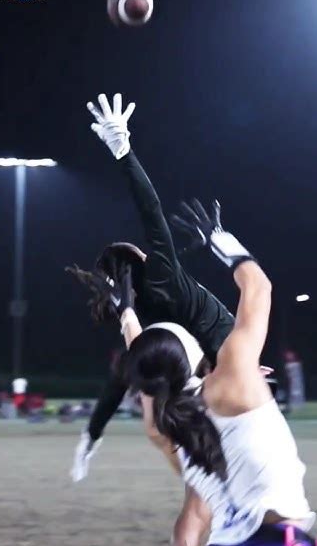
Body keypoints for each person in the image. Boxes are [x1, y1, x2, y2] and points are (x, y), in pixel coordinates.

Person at [120, 200, 317, 546]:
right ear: (192, 352)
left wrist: (127, 311)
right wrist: (222, 240)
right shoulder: (234, 377)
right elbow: (259, 288)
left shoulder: (163, 426)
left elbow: (146, 364)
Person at [68, 93, 236, 482]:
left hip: (207, 358)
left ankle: (93, 441)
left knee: (138, 386)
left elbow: (118, 380)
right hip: (224, 345)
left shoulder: (135, 308)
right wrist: (123, 151)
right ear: (138, 257)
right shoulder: (158, 269)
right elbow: (151, 209)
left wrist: (91, 435)